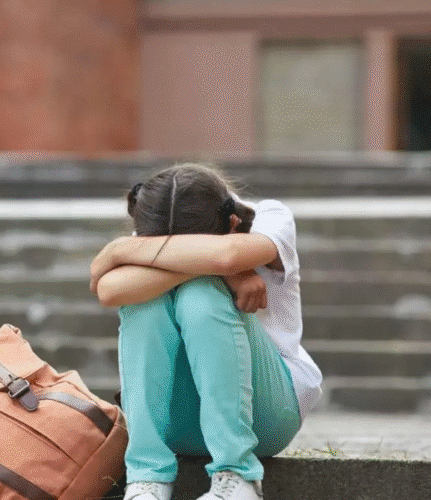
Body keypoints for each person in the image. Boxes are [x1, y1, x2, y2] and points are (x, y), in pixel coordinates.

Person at [89, 164, 323, 500]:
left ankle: (238, 475)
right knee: (143, 303)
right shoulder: (160, 225)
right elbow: (110, 290)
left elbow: (227, 254)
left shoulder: (270, 217)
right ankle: (147, 479)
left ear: (231, 224)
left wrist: (118, 250)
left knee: (201, 294)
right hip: (177, 422)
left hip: (266, 417)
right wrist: (225, 271)